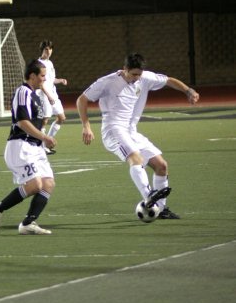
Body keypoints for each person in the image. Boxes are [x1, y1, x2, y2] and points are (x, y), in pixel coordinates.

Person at [76, 52, 200, 219]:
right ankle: (149, 197)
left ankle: (160, 209)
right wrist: (86, 126)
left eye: (139, 75)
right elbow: (81, 100)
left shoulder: (145, 78)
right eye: (133, 74)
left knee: (161, 165)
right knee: (136, 159)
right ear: (124, 69)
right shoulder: (108, 82)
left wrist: (188, 90)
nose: (136, 78)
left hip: (131, 131)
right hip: (113, 131)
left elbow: (169, 80)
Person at [0, 59, 57, 235]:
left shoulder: (35, 95)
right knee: (34, 184)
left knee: (48, 184)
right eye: (42, 76)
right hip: (21, 146)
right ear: (32, 76)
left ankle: (28, 224)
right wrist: (45, 137)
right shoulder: (23, 92)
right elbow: (22, 122)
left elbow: (36, 121)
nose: (44, 79)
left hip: (36, 148)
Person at [37, 40, 68, 155]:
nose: (48, 51)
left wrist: (60, 80)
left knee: (61, 118)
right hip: (44, 95)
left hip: (53, 94)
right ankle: (41, 146)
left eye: (50, 49)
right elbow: (40, 83)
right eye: (46, 49)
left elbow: (51, 80)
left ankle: (47, 142)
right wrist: (49, 96)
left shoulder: (50, 63)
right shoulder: (38, 64)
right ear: (42, 50)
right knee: (45, 120)